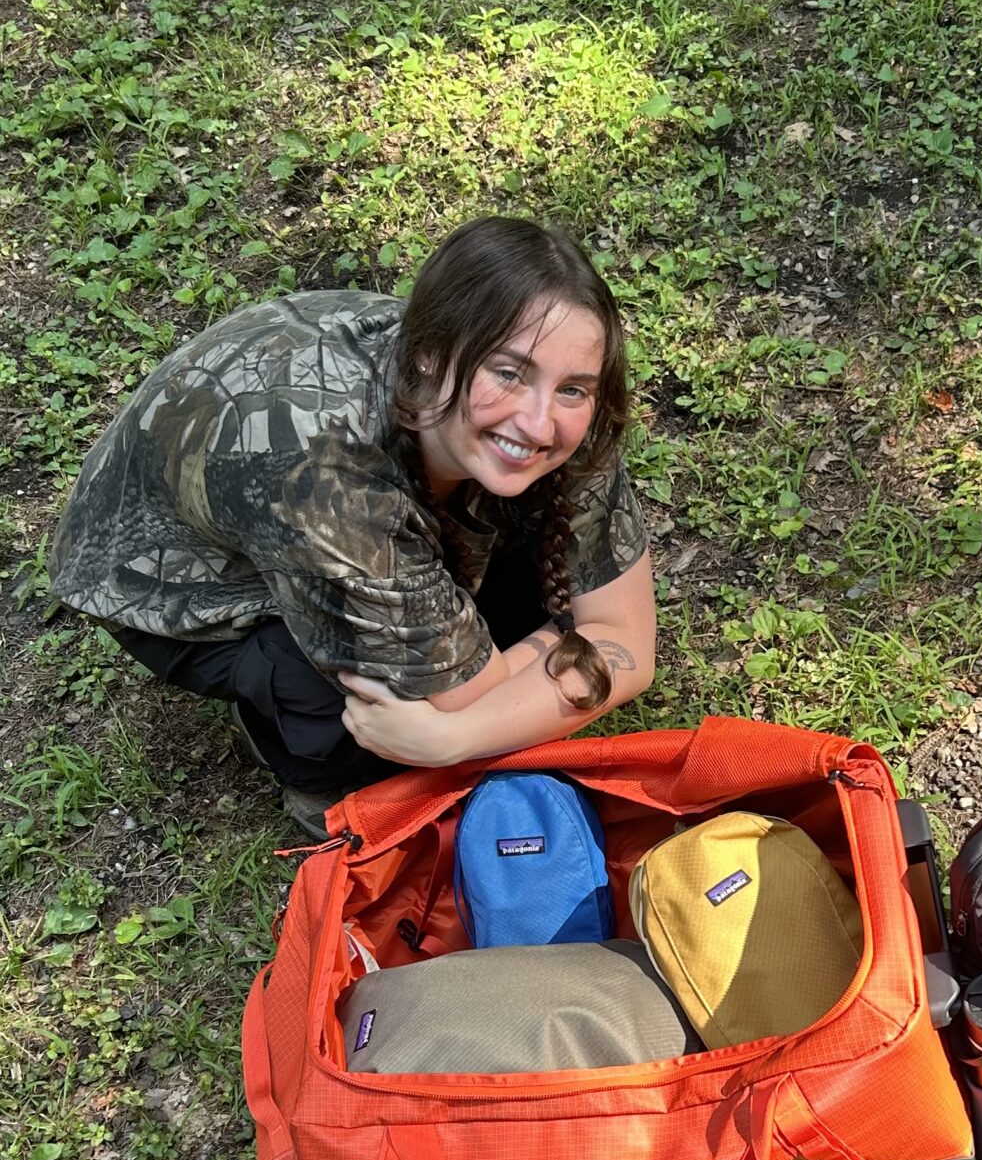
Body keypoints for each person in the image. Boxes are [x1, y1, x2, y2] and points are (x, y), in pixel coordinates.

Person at [48, 216, 656, 836]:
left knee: (480, 666)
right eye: (508, 372)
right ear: (430, 351)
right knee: (362, 727)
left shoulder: (558, 414)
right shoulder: (327, 474)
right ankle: (302, 750)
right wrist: (556, 645)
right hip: (177, 579)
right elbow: (559, 663)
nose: (539, 422)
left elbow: (630, 645)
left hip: (383, 488)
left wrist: (450, 739)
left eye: (573, 389)